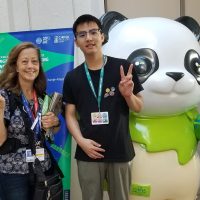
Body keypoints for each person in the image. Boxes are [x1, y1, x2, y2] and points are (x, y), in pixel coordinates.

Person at [63, 14, 144, 200]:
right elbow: (69, 115)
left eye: (93, 32)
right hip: (88, 152)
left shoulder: (123, 68)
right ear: (76, 42)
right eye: (82, 35)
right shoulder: (72, 77)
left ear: (102, 36)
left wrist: (128, 95)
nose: (89, 38)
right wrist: (81, 142)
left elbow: (138, 107)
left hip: (120, 150)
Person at [0, 42, 60, 200]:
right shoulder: (4, 96)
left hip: (42, 168)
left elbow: (49, 134)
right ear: (16, 66)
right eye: (24, 61)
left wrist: (54, 123)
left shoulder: (41, 97)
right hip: (15, 174)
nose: (30, 66)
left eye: (34, 61)